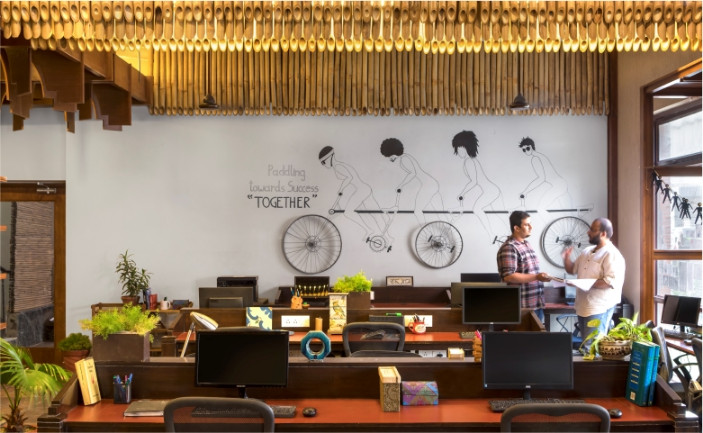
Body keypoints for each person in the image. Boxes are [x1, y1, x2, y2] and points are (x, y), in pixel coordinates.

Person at [562, 217, 625, 353]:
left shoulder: (612, 254)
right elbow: (572, 269)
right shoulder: (587, 251)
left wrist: (584, 283)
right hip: (582, 306)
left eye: (592, 229)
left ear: (603, 234)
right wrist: (566, 258)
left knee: (592, 348)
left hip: (599, 308)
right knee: (586, 346)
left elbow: (609, 282)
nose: (588, 232)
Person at [496, 210, 550, 321]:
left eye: (530, 223)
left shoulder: (526, 244)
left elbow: (529, 272)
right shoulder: (509, 247)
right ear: (516, 228)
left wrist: (540, 277)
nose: (531, 227)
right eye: (526, 224)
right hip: (521, 309)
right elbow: (508, 276)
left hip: (535, 304)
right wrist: (537, 277)